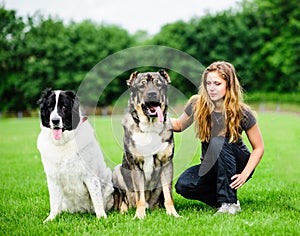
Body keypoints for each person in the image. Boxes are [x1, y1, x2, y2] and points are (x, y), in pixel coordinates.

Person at [171, 61, 264, 214]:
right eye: (208, 83)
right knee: (184, 185)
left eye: (217, 83)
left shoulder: (242, 112)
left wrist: (245, 174)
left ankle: (229, 203)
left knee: (218, 140)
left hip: (237, 162)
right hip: (212, 165)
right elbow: (178, 125)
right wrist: (155, 118)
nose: (212, 88)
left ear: (229, 84)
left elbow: (259, 148)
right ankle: (224, 200)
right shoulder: (197, 103)